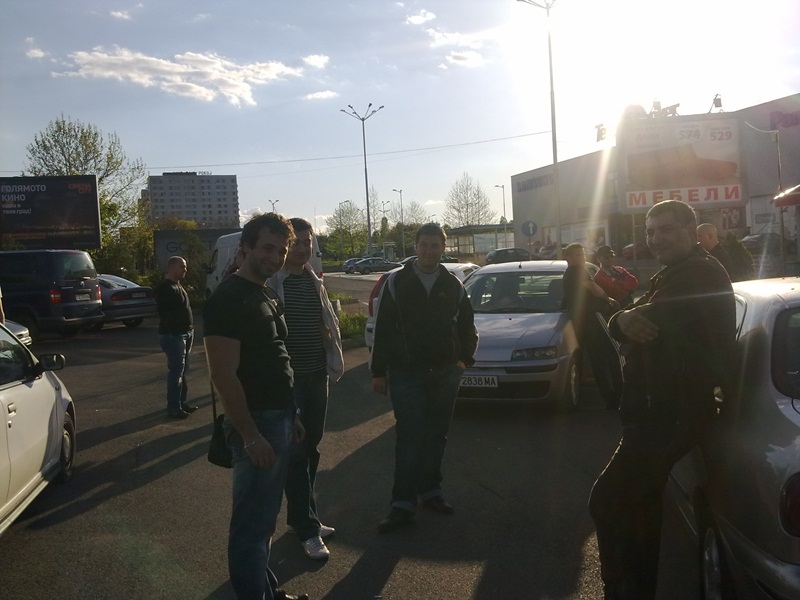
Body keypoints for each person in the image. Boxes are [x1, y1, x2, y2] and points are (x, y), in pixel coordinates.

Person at [588, 200, 736, 599]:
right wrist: (621, 319)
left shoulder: (698, 273)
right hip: (659, 412)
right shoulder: (676, 272)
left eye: (667, 229)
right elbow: (631, 315)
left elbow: (648, 318)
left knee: (609, 501)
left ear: (691, 230)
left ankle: (624, 592)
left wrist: (621, 320)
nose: (656, 239)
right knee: (641, 506)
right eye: (651, 231)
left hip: (670, 414)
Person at [203, 213, 309, 600]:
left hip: (279, 418)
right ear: (245, 247)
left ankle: (267, 591)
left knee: (264, 521)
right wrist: (250, 435)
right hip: (257, 424)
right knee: (251, 525)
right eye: (267, 248)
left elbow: (275, 357)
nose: (275, 257)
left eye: (281, 250)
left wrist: (292, 413)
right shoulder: (228, 299)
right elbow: (223, 375)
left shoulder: (265, 293)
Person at [371, 223, 478, 534]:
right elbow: (384, 328)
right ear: (415, 247)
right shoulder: (397, 281)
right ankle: (402, 504)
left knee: (436, 436)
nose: (430, 251)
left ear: (443, 248)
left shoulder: (453, 284)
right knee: (409, 437)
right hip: (406, 373)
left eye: (435, 245)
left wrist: (463, 359)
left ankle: (431, 491)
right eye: (424, 245)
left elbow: (467, 325)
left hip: (445, 372)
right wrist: (378, 371)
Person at [269, 217, 344, 560]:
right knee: (297, 454)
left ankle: (303, 516)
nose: (302, 248)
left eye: (307, 242)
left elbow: (326, 325)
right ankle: (307, 528)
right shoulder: (274, 283)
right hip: (290, 382)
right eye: (295, 242)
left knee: (311, 448)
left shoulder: (315, 281)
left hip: (317, 377)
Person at [561, 243, 622, 410]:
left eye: (583, 254)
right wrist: (609, 300)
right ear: (568, 258)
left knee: (595, 360)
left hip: (579, 321)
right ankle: (618, 396)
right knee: (613, 354)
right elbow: (595, 290)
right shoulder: (577, 271)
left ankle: (609, 398)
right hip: (592, 317)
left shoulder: (567, 275)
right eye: (578, 255)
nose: (582, 258)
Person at [154, 256, 197, 419]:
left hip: (186, 333)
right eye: (182, 267)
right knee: (176, 371)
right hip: (174, 335)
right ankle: (173, 406)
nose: (185, 270)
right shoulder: (164, 288)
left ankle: (181, 402)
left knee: (183, 370)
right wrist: (178, 327)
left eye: (185, 267)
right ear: (171, 267)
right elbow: (167, 313)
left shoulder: (178, 285)